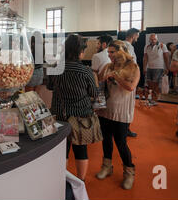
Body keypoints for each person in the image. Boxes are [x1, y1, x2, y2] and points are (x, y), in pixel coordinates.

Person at [47, 34, 101, 182]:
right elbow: (94, 93)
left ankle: (60, 180)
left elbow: (50, 86)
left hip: (59, 113)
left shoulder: (55, 68)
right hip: (80, 115)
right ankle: (80, 181)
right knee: (80, 150)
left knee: (62, 150)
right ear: (80, 52)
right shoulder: (85, 70)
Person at [96, 40, 140, 190]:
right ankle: (106, 166)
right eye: (108, 52)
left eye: (112, 52)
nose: (109, 55)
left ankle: (129, 172)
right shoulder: (108, 66)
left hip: (121, 112)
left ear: (122, 51)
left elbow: (131, 87)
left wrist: (116, 77)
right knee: (106, 140)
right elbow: (99, 83)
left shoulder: (133, 67)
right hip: (105, 109)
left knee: (121, 143)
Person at [121, 28, 139, 137]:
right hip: (128, 79)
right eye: (137, 35)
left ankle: (124, 128)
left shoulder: (124, 45)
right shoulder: (127, 46)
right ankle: (124, 129)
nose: (137, 38)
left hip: (126, 78)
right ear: (133, 35)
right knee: (127, 106)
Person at [143, 34, 170, 105]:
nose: (153, 41)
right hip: (149, 68)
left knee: (156, 85)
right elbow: (145, 58)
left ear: (157, 39)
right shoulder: (146, 46)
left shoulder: (162, 46)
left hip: (159, 67)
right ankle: (150, 99)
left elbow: (166, 57)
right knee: (149, 84)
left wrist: (167, 67)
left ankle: (154, 100)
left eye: (154, 39)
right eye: (151, 39)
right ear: (149, 39)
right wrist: (144, 68)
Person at [91, 35, 113, 109]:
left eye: (98, 44)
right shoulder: (112, 55)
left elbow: (94, 75)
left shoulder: (97, 56)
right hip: (111, 84)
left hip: (100, 85)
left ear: (104, 44)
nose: (96, 46)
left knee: (98, 108)